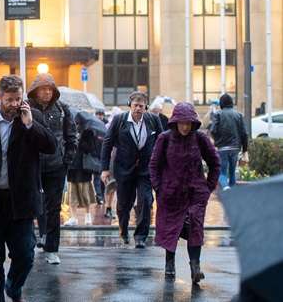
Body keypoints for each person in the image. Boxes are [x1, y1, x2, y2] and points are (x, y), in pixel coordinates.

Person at [0, 75, 56, 302]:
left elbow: (51, 147)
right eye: (10, 100)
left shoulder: (31, 117)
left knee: (25, 254)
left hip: (20, 200)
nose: (15, 104)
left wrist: (30, 125)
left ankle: (13, 286)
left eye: (18, 99)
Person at [150, 102, 220, 284]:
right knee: (171, 228)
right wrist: (159, 187)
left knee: (195, 227)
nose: (185, 126)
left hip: (195, 193)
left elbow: (215, 163)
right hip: (170, 194)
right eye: (181, 123)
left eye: (188, 123)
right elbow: (154, 165)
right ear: (175, 122)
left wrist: (208, 187)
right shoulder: (164, 139)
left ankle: (195, 267)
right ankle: (169, 263)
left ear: (193, 123)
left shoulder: (200, 139)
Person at [101, 91, 163, 248]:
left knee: (146, 200)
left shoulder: (153, 120)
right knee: (123, 204)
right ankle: (123, 231)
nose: (138, 109)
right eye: (135, 105)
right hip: (123, 168)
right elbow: (107, 144)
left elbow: (163, 143)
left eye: (141, 106)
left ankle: (141, 236)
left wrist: (163, 165)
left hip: (146, 169)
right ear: (130, 105)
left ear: (146, 107)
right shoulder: (119, 120)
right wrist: (104, 169)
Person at [27, 73, 77, 265]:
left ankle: (52, 248)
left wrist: (67, 160)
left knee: (53, 208)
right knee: (31, 205)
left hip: (56, 166)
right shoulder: (27, 108)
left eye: (50, 89)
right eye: (43, 88)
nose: (47, 92)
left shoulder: (63, 109)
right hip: (32, 165)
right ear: (36, 90)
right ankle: (33, 241)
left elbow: (71, 135)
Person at [65, 112, 102, 227]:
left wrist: (80, 140)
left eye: (77, 122)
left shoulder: (89, 133)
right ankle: (73, 217)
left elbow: (90, 148)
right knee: (72, 193)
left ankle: (87, 215)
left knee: (85, 193)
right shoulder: (68, 131)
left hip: (83, 167)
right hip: (71, 166)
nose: (76, 124)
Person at [209, 93, 248, 190]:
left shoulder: (218, 114)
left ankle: (225, 187)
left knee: (222, 172)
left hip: (222, 148)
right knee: (232, 172)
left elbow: (213, 130)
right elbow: (244, 134)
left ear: (221, 104)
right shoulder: (239, 115)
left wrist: (217, 141)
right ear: (231, 103)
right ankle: (232, 195)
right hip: (235, 148)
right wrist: (245, 150)